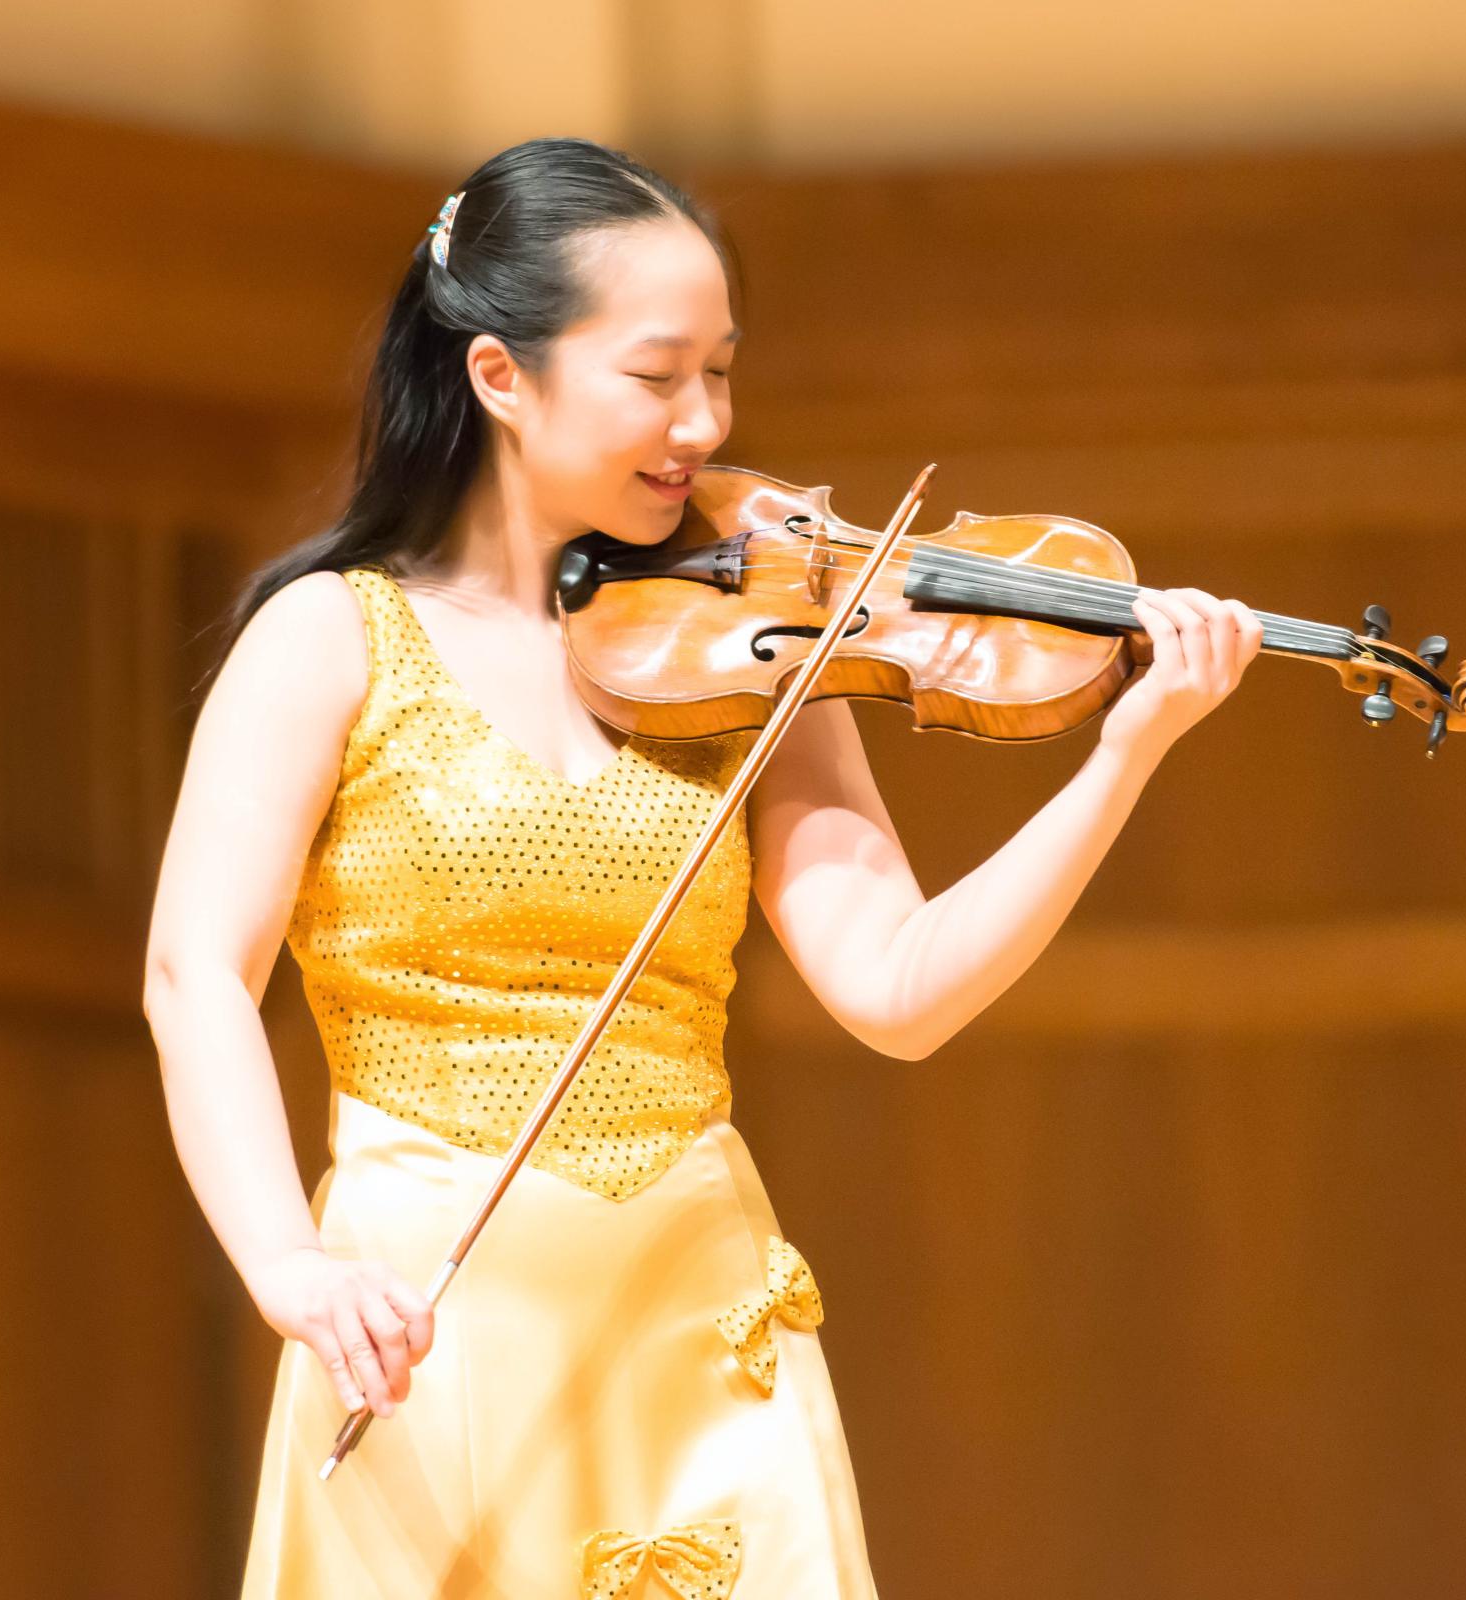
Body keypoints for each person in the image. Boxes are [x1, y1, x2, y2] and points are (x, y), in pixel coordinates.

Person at [143, 137, 1262, 1599]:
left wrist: (1126, 753)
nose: (706, 421)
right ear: (501, 377)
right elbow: (195, 977)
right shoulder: (332, 638)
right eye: (657, 376)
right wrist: (287, 1266)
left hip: (698, 1321)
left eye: (722, 374)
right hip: (428, 1313)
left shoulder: (757, 656)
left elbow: (901, 987)